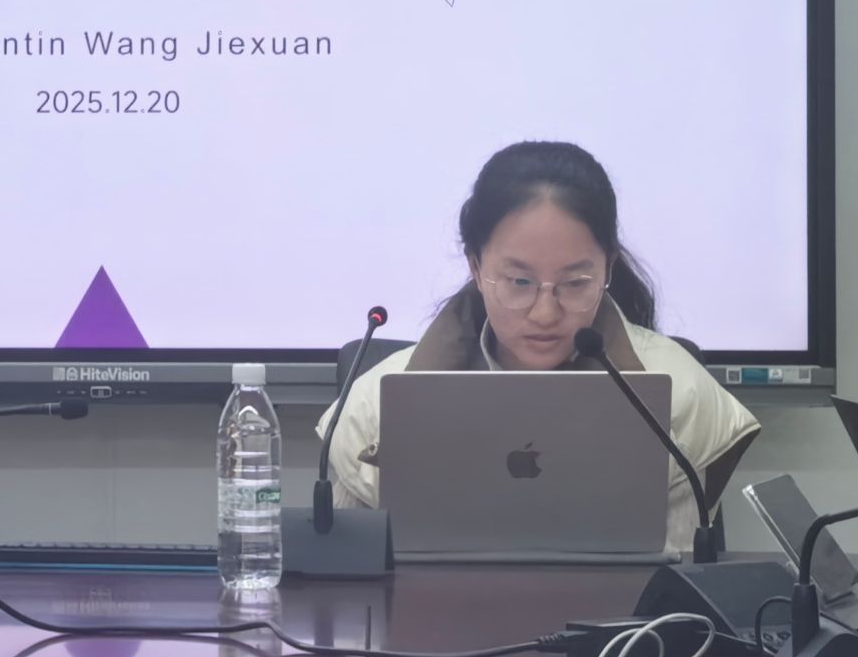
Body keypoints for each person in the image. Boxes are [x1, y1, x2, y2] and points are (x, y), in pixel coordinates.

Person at [318, 140, 759, 554]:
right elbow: (348, 582)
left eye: (575, 282)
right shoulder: (372, 408)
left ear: (607, 268)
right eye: (520, 282)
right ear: (476, 267)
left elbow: (676, 584)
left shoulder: (680, 396)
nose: (546, 314)